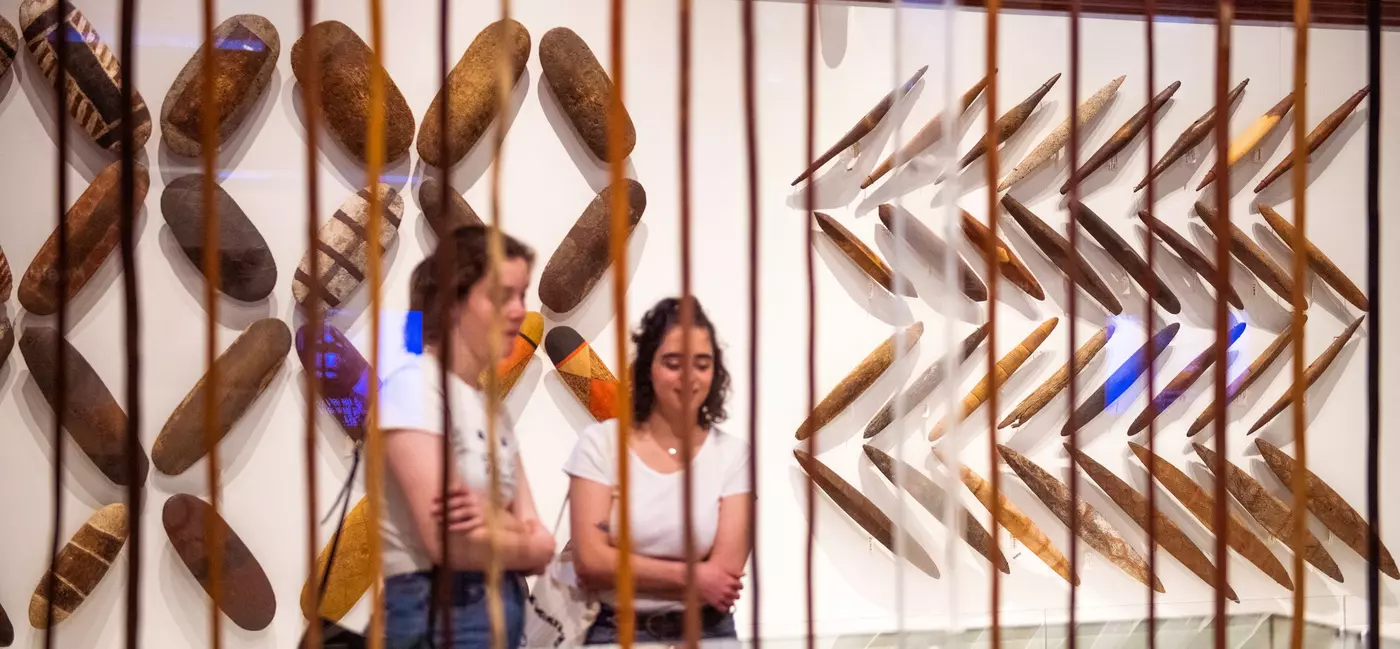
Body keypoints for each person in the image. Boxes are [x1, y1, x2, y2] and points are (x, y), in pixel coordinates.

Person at [380, 226, 556, 648]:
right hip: (438, 614)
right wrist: (519, 531)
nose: (518, 311)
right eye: (502, 296)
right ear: (453, 302)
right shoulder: (413, 386)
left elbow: (546, 546)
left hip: (503, 609)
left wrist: (497, 523)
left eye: (522, 295)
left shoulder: (490, 407)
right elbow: (451, 543)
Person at [565, 297, 754, 644]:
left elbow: (724, 578)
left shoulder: (733, 455)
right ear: (646, 368)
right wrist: (696, 576)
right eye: (672, 363)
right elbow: (591, 563)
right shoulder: (600, 444)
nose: (688, 377)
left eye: (702, 364)